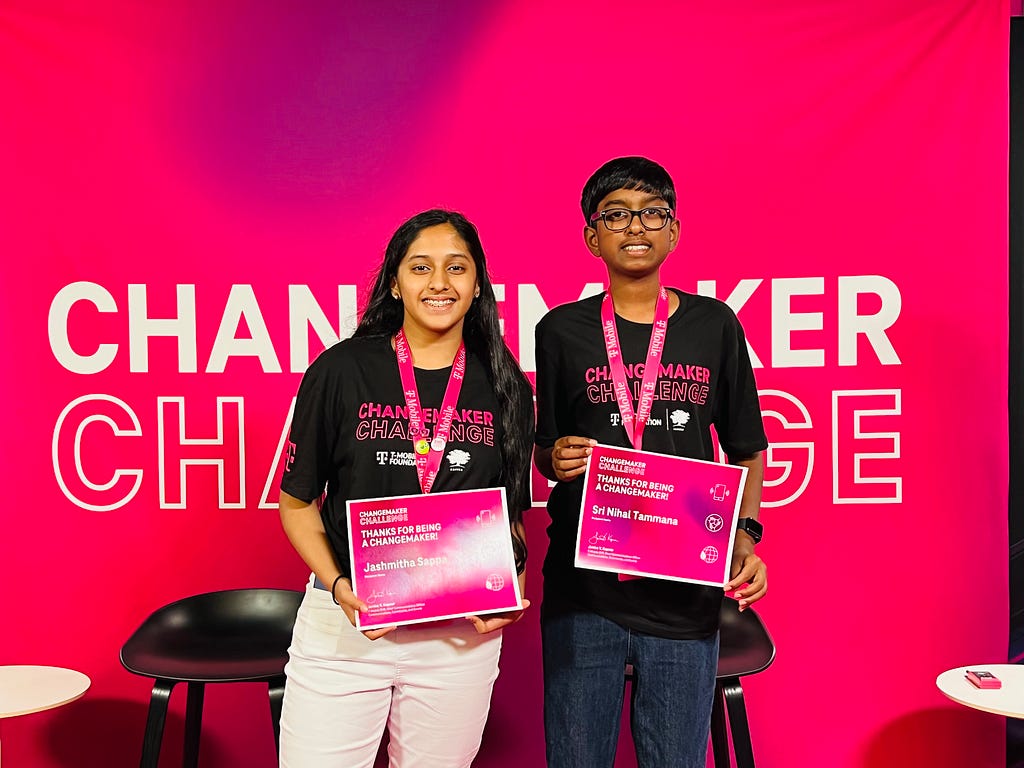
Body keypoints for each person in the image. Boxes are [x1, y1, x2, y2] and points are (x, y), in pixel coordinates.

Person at [534, 157, 768, 768]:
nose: (634, 226)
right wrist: (554, 457)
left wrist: (744, 535)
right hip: (584, 586)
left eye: (651, 213)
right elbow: (544, 449)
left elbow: (746, 447)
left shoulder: (714, 325)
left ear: (674, 230)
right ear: (592, 236)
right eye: (615, 215)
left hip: (684, 587)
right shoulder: (559, 331)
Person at [278, 209, 535, 767]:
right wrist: (341, 586)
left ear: (477, 284)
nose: (439, 283)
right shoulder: (341, 371)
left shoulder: (505, 383)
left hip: (458, 639)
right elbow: (296, 505)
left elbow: (512, 513)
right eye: (421, 268)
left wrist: (513, 579)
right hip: (346, 629)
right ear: (395, 282)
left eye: (456, 268)